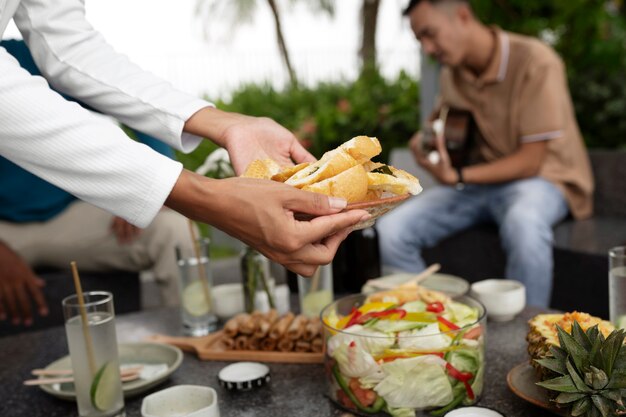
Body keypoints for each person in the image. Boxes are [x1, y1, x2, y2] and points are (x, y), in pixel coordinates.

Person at [0, 1, 369, 325]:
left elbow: (67, 47)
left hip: (65, 212)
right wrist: (204, 196)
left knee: (174, 231)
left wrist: (228, 124)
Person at [378, 0, 593, 307]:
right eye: (419, 40)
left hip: (546, 179)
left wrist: (459, 175)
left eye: (430, 33)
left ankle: (527, 337)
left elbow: (531, 160)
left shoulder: (535, 61)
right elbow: (439, 128)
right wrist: (425, 143)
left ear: (463, 16)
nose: (427, 48)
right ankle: (434, 323)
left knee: (524, 223)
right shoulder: (452, 73)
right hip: (479, 185)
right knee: (391, 230)